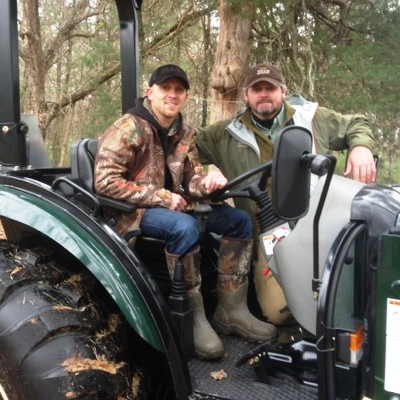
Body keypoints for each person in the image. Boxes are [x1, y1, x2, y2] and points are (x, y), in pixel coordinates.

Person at [94, 64, 276, 360]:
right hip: (132, 213)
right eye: (165, 88)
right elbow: (105, 183)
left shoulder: (184, 132)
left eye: (179, 89)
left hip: (174, 206)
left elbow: (191, 178)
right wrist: (161, 197)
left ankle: (231, 310)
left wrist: (207, 183)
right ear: (150, 92)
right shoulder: (127, 128)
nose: (172, 94)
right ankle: (192, 317)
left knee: (238, 221)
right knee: (184, 228)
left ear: (187, 95)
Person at [195, 63, 376, 326]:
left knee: (343, 295)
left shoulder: (312, 118)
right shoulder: (225, 134)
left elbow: (357, 123)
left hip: (317, 227)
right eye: (257, 89)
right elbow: (182, 145)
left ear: (283, 91)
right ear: (246, 95)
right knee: (277, 311)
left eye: (270, 88)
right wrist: (203, 178)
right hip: (267, 236)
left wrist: (361, 146)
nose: (264, 94)